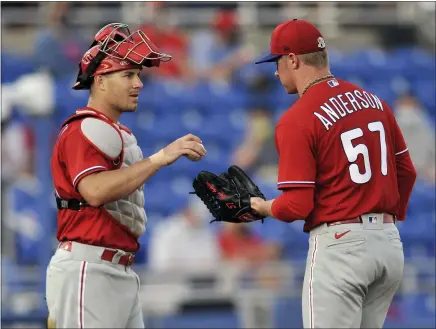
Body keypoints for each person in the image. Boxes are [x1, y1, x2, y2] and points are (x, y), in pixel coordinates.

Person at [250, 19, 417, 328]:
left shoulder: (297, 118)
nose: (275, 72)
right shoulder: (375, 102)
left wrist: (260, 206)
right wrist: (384, 219)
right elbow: (406, 172)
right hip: (388, 245)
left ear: (293, 59)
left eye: (277, 62)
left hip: (341, 246)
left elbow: (296, 206)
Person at [46, 23, 207, 328]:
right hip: (88, 267)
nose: (138, 84)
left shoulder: (117, 133)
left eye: (139, 75)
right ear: (101, 80)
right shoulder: (83, 129)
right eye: (128, 75)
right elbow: (94, 191)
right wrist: (160, 159)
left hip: (118, 270)